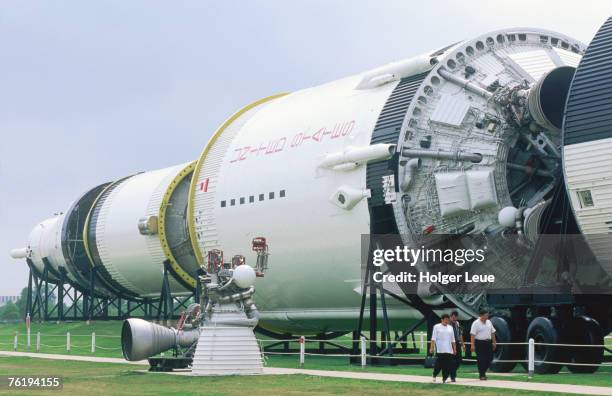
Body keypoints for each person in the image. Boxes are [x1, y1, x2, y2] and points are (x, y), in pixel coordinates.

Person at [470, 309, 497, 380]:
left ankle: (482, 372)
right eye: (485, 315)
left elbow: (492, 332)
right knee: (481, 359)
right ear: (481, 315)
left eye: (487, 315)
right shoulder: (476, 323)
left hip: (488, 342)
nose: (487, 316)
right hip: (479, 343)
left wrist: (494, 342)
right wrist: (472, 345)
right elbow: (472, 334)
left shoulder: (489, 322)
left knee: (490, 358)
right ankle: (482, 375)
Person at [430, 313, 456, 383]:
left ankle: (445, 378)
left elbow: (453, 339)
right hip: (440, 349)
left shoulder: (450, 327)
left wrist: (454, 349)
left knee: (447, 365)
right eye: (445, 319)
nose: (447, 321)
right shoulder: (436, 326)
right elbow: (433, 338)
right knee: (439, 365)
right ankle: (434, 375)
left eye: (448, 319)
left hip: (449, 350)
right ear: (442, 319)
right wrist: (431, 348)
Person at [449, 310, 465, 382]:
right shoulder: (448, 325)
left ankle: (452, 371)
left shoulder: (457, 324)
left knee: (459, 359)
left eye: (455, 317)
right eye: (453, 317)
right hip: (450, 344)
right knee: (452, 360)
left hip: (457, 343)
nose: (454, 319)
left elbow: (460, 334)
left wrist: (463, 344)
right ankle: (453, 376)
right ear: (451, 317)